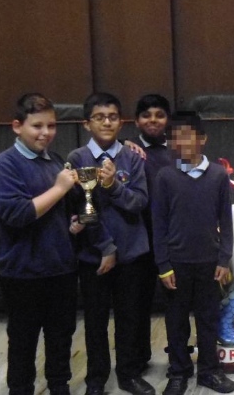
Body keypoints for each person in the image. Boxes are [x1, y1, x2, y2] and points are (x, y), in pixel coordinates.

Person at [0, 94, 81, 395]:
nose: (46, 133)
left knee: (61, 336)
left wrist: (74, 224)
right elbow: (18, 214)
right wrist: (59, 188)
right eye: (37, 126)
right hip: (22, 272)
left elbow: (59, 213)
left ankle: (58, 385)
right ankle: (21, 389)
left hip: (60, 268)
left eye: (51, 125)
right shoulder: (5, 165)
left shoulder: (54, 160)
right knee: (23, 338)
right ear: (17, 126)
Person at [68, 93, 154, 395]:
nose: (107, 122)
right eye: (99, 117)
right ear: (87, 123)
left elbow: (140, 202)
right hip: (95, 257)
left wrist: (113, 186)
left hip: (132, 254)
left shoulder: (132, 157)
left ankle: (129, 374)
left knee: (130, 318)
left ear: (121, 122)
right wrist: (105, 246)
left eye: (113, 117)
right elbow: (81, 210)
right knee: (95, 322)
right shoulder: (78, 159)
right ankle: (96, 380)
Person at [152, 112, 234, 395]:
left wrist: (224, 258)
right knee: (176, 322)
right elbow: (159, 223)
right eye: (175, 136)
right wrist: (163, 265)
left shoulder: (218, 175)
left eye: (188, 135)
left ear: (202, 139)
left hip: (209, 262)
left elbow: (226, 220)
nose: (182, 142)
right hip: (176, 263)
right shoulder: (165, 177)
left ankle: (209, 371)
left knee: (208, 319)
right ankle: (179, 371)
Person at [128, 94, 173, 372]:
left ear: (168, 120)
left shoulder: (180, 152)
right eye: (146, 115)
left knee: (177, 305)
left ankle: (179, 360)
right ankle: (137, 361)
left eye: (159, 115)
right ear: (136, 121)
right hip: (140, 239)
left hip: (172, 240)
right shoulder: (127, 152)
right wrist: (122, 145)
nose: (153, 120)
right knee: (136, 304)